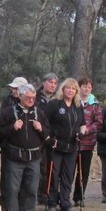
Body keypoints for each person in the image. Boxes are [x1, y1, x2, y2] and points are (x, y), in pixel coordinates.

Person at [0, 83, 48, 211]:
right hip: (15, 158)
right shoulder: (8, 112)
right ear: (20, 96)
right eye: (28, 98)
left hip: (34, 158)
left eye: (33, 98)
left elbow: (48, 133)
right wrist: (12, 128)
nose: (31, 100)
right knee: (12, 189)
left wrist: (41, 128)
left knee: (32, 189)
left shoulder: (39, 113)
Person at [44, 77, 85, 211]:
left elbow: (82, 124)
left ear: (76, 91)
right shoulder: (55, 104)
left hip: (72, 146)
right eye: (68, 88)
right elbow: (44, 123)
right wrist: (49, 139)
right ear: (63, 89)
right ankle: (51, 203)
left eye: (73, 88)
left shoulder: (78, 106)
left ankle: (65, 204)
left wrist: (82, 133)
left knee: (68, 175)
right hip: (56, 145)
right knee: (54, 175)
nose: (70, 90)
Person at [73, 78, 102, 208]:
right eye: (84, 86)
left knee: (83, 172)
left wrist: (87, 130)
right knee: (67, 171)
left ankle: (79, 197)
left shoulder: (95, 104)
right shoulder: (73, 101)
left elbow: (99, 123)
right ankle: (62, 197)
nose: (86, 89)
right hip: (72, 142)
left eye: (89, 87)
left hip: (88, 143)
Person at [36, 73, 58, 203]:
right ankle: (37, 193)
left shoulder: (57, 99)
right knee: (40, 166)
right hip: (39, 136)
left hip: (53, 137)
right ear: (44, 83)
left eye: (55, 83)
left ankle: (46, 192)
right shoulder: (36, 98)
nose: (53, 85)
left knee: (50, 166)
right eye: (50, 82)